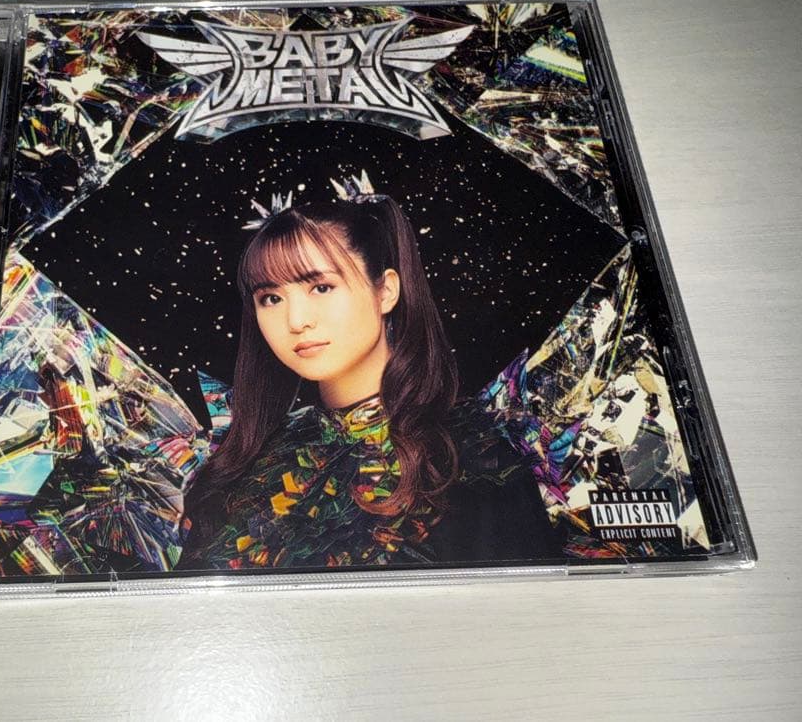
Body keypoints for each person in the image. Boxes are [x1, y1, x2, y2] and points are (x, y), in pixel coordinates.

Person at [179, 194, 562, 570]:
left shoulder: (468, 458)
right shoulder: (253, 463)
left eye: (321, 288)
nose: (296, 320)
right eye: (271, 298)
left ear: (386, 291)